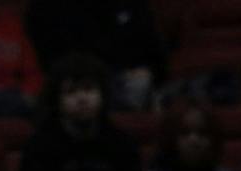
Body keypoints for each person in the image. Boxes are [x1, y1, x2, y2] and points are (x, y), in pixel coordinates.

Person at [18, 54, 142, 171]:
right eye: (71, 92)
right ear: (57, 100)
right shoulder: (40, 146)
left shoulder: (121, 143)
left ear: (102, 95)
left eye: (89, 89)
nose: (82, 98)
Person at [24, 0, 166, 110]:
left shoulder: (131, 4)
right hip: (72, 77)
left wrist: (148, 70)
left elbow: (152, 48)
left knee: (140, 84)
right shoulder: (46, 6)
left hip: (125, 78)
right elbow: (47, 56)